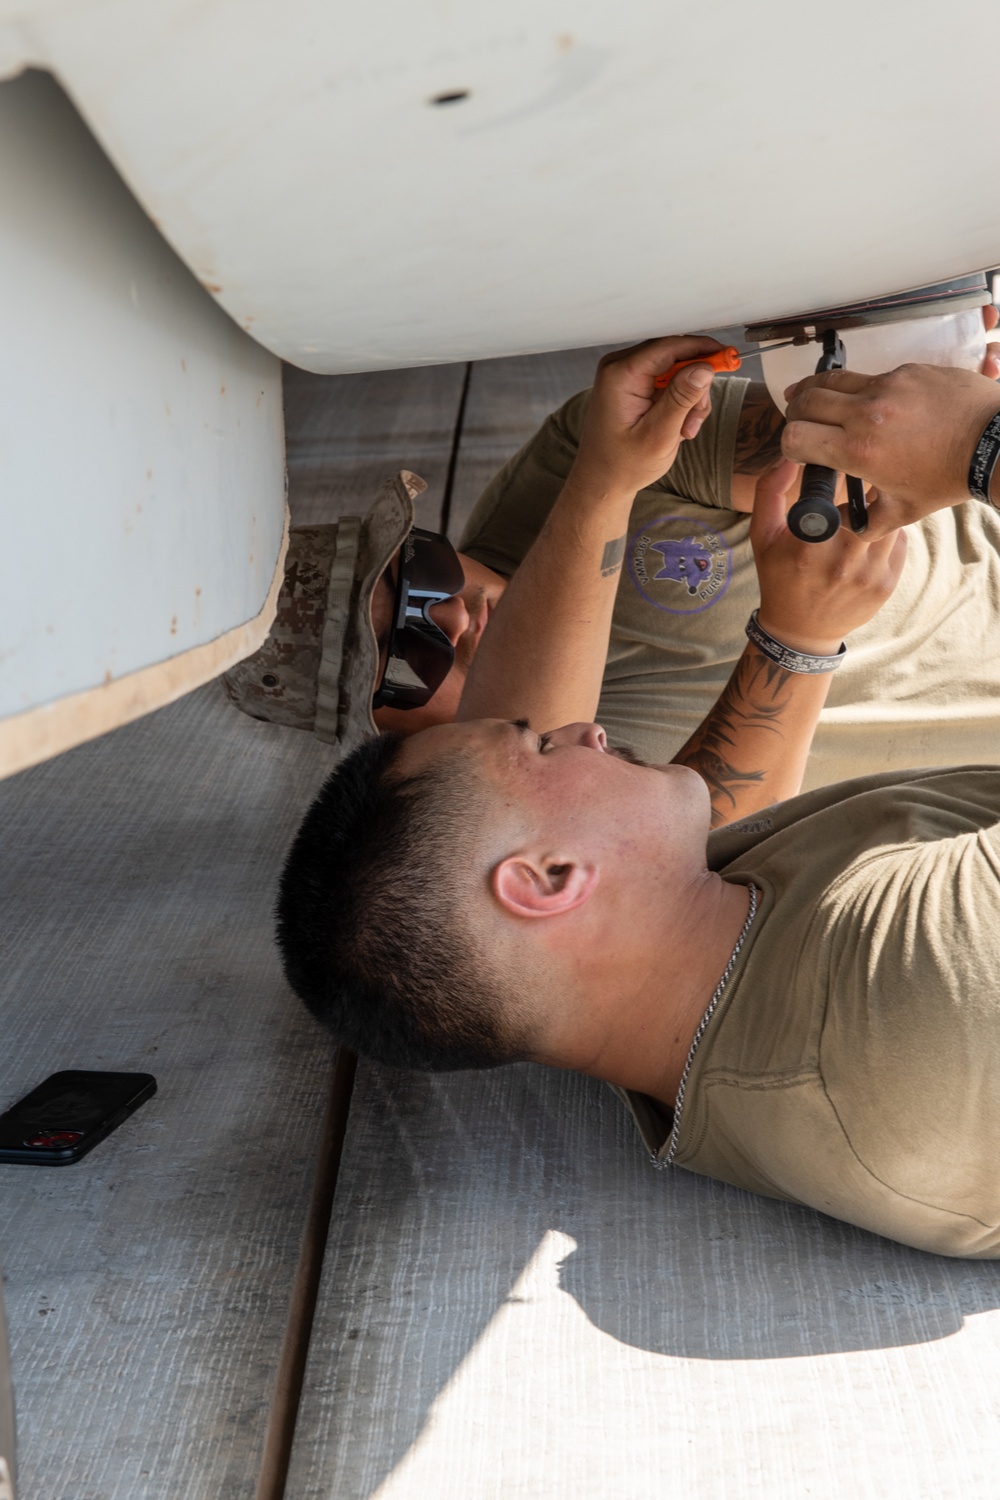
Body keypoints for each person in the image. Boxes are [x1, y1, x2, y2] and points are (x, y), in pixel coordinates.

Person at [276, 354, 1000, 1259]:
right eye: (409, 653)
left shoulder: (656, 979)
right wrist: (982, 444)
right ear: (548, 879)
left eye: (419, 577)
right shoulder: (916, 980)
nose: (580, 732)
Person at [228, 277, 1000, 820]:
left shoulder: (584, 456)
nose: (455, 618)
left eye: (422, 574)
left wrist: (603, 484)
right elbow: (698, 846)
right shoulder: (559, 800)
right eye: (405, 654)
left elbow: (872, 440)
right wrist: (794, 639)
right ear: (393, 744)